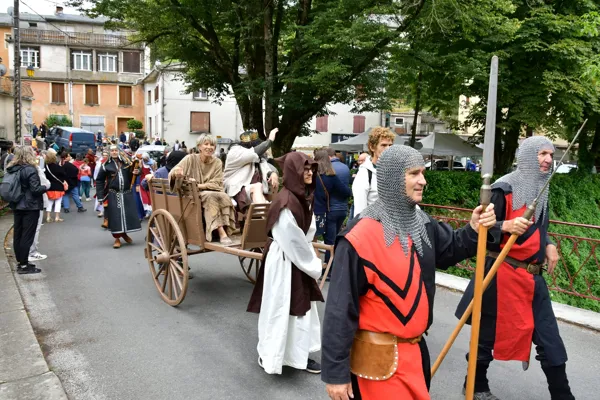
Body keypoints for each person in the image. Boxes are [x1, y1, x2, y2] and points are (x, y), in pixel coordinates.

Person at [321, 145, 497, 400]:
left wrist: (472, 228)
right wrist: (336, 374)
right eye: (414, 173)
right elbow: (339, 310)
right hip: (377, 363)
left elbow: (451, 249)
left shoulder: (421, 222)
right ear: (393, 178)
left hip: (415, 354)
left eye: (423, 173)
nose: (423, 181)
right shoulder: (359, 237)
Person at [455, 136, 575, 400]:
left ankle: (563, 396)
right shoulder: (504, 188)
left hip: (533, 279)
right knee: (486, 338)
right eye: (542, 154)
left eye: (550, 154)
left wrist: (549, 242)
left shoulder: (541, 187)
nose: (548, 159)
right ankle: (475, 385)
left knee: (550, 341)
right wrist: (504, 226)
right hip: (501, 274)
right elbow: (480, 228)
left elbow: (541, 227)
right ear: (529, 156)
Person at [247, 151, 324, 375]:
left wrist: (309, 254)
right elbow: (293, 241)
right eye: (305, 168)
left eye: (311, 168)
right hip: (285, 262)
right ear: (294, 172)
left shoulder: (302, 197)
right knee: (280, 308)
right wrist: (314, 265)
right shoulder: (285, 203)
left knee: (302, 310)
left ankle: (299, 354)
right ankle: (271, 355)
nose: (309, 172)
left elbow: (306, 233)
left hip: (297, 259)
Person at [169, 134, 237, 244]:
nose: (209, 147)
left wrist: (199, 186)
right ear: (199, 146)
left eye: (212, 145)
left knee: (224, 196)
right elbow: (175, 170)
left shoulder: (217, 162)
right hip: (191, 195)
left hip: (210, 191)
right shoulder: (190, 158)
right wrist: (177, 172)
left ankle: (226, 228)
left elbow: (217, 182)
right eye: (206, 144)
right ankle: (221, 232)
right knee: (210, 196)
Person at [7, 146, 48, 274]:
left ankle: (21, 261)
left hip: (17, 203)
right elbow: (35, 189)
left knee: (18, 234)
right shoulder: (30, 169)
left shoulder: (12, 169)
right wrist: (46, 187)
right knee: (27, 235)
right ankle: (24, 265)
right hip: (30, 206)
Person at [223, 129, 279, 219]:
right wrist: (270, 140)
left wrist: (272, 173)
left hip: (253, 193)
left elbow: (265, 167)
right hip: (236, 192)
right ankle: (266, 217)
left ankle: (267, 215)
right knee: (257, 186)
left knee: (259, 188)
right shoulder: (235, 152)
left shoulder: (256, 158)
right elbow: (253, 153)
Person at [96, 145, 142, 248]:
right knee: (116, 217)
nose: (114, 152)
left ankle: (124, 234)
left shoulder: (127, 162)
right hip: (113, 194)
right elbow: (99, 181)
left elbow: (138, 170)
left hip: (126, 193)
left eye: (116, 150)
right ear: (109, 152)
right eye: (112, 150)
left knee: (126, 216)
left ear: (118, 151)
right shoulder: (105, 165)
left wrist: (137, 171)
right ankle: (117, 239)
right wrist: (100, 196)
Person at [313, 149, 352, 266]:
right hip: (330, 211)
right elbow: (347, 192)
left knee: (313, 241)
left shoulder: (311, 175)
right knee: (331, 241)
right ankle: (330, 268)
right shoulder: (331, 176)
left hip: (313, 212)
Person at [351, 127, 395, 216]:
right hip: (372, 225)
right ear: (372, 147)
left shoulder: (394, 171)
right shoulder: (365, 174)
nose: (388, 149)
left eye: (390, 145)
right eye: (383, 145)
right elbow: (360, 213)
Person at [28, 153, 51, 263]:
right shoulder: (35, 169)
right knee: (35, 227)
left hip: (21, 202)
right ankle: (32, 252)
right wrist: (47, 185)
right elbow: (45, 184)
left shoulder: (15, 168)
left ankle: (23, 253)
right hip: (36, 201)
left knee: (23, 228)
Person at [44, 151, 67, 223]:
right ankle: (57, 217)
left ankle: (48, 217)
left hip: (49, 187)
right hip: (58, 187)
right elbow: (64, 175)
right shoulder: (58, 167)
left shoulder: (45, 167)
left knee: (49, 202)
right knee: (58, 203)